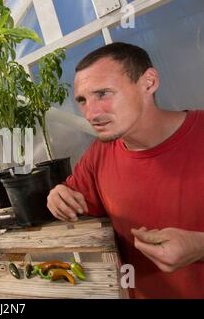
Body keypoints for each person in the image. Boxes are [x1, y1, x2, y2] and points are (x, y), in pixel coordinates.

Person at [46, 42, 204, 298]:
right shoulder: (98, 155)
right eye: (82, 100)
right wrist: (58, 196)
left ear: (149, 83)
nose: (91, 113)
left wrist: (200, 247)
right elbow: (71, 197)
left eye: (103, 94)